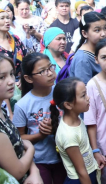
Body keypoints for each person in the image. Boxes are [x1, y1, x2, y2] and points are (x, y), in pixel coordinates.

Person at [13, 52, 67, 184]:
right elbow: (19, 138)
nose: (50, 73)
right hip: (39, 160)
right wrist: (40, 135)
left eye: (50, 67)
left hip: (65, 156)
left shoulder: (63, 92)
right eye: (42, 71)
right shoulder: (22, 105)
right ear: (29, 78)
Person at [0, 54, 43, 183]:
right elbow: (17, 171)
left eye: (12, 74)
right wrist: (31, 148)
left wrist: (35, 171)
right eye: (2, 77)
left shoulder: (2, 109)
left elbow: (17, 148)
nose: (11, 81)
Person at [50, 78, 102, 183]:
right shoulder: (68, 135)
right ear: (68, 105)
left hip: (89, 173)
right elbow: (81, 172)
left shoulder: (77, 119)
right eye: (83, 96)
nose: (88, 98)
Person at [84, 39, 106, 183]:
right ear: (96, 59)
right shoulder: (92, 85)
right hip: (105, 145)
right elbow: (90, 121)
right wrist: (95, 150)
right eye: (104, 57)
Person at [70, 12, 106, 84]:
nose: (103, 34)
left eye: (105, 28)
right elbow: (84, 89)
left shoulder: (100, 50)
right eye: (97, 30)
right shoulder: (83, 59)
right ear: (84, 33)